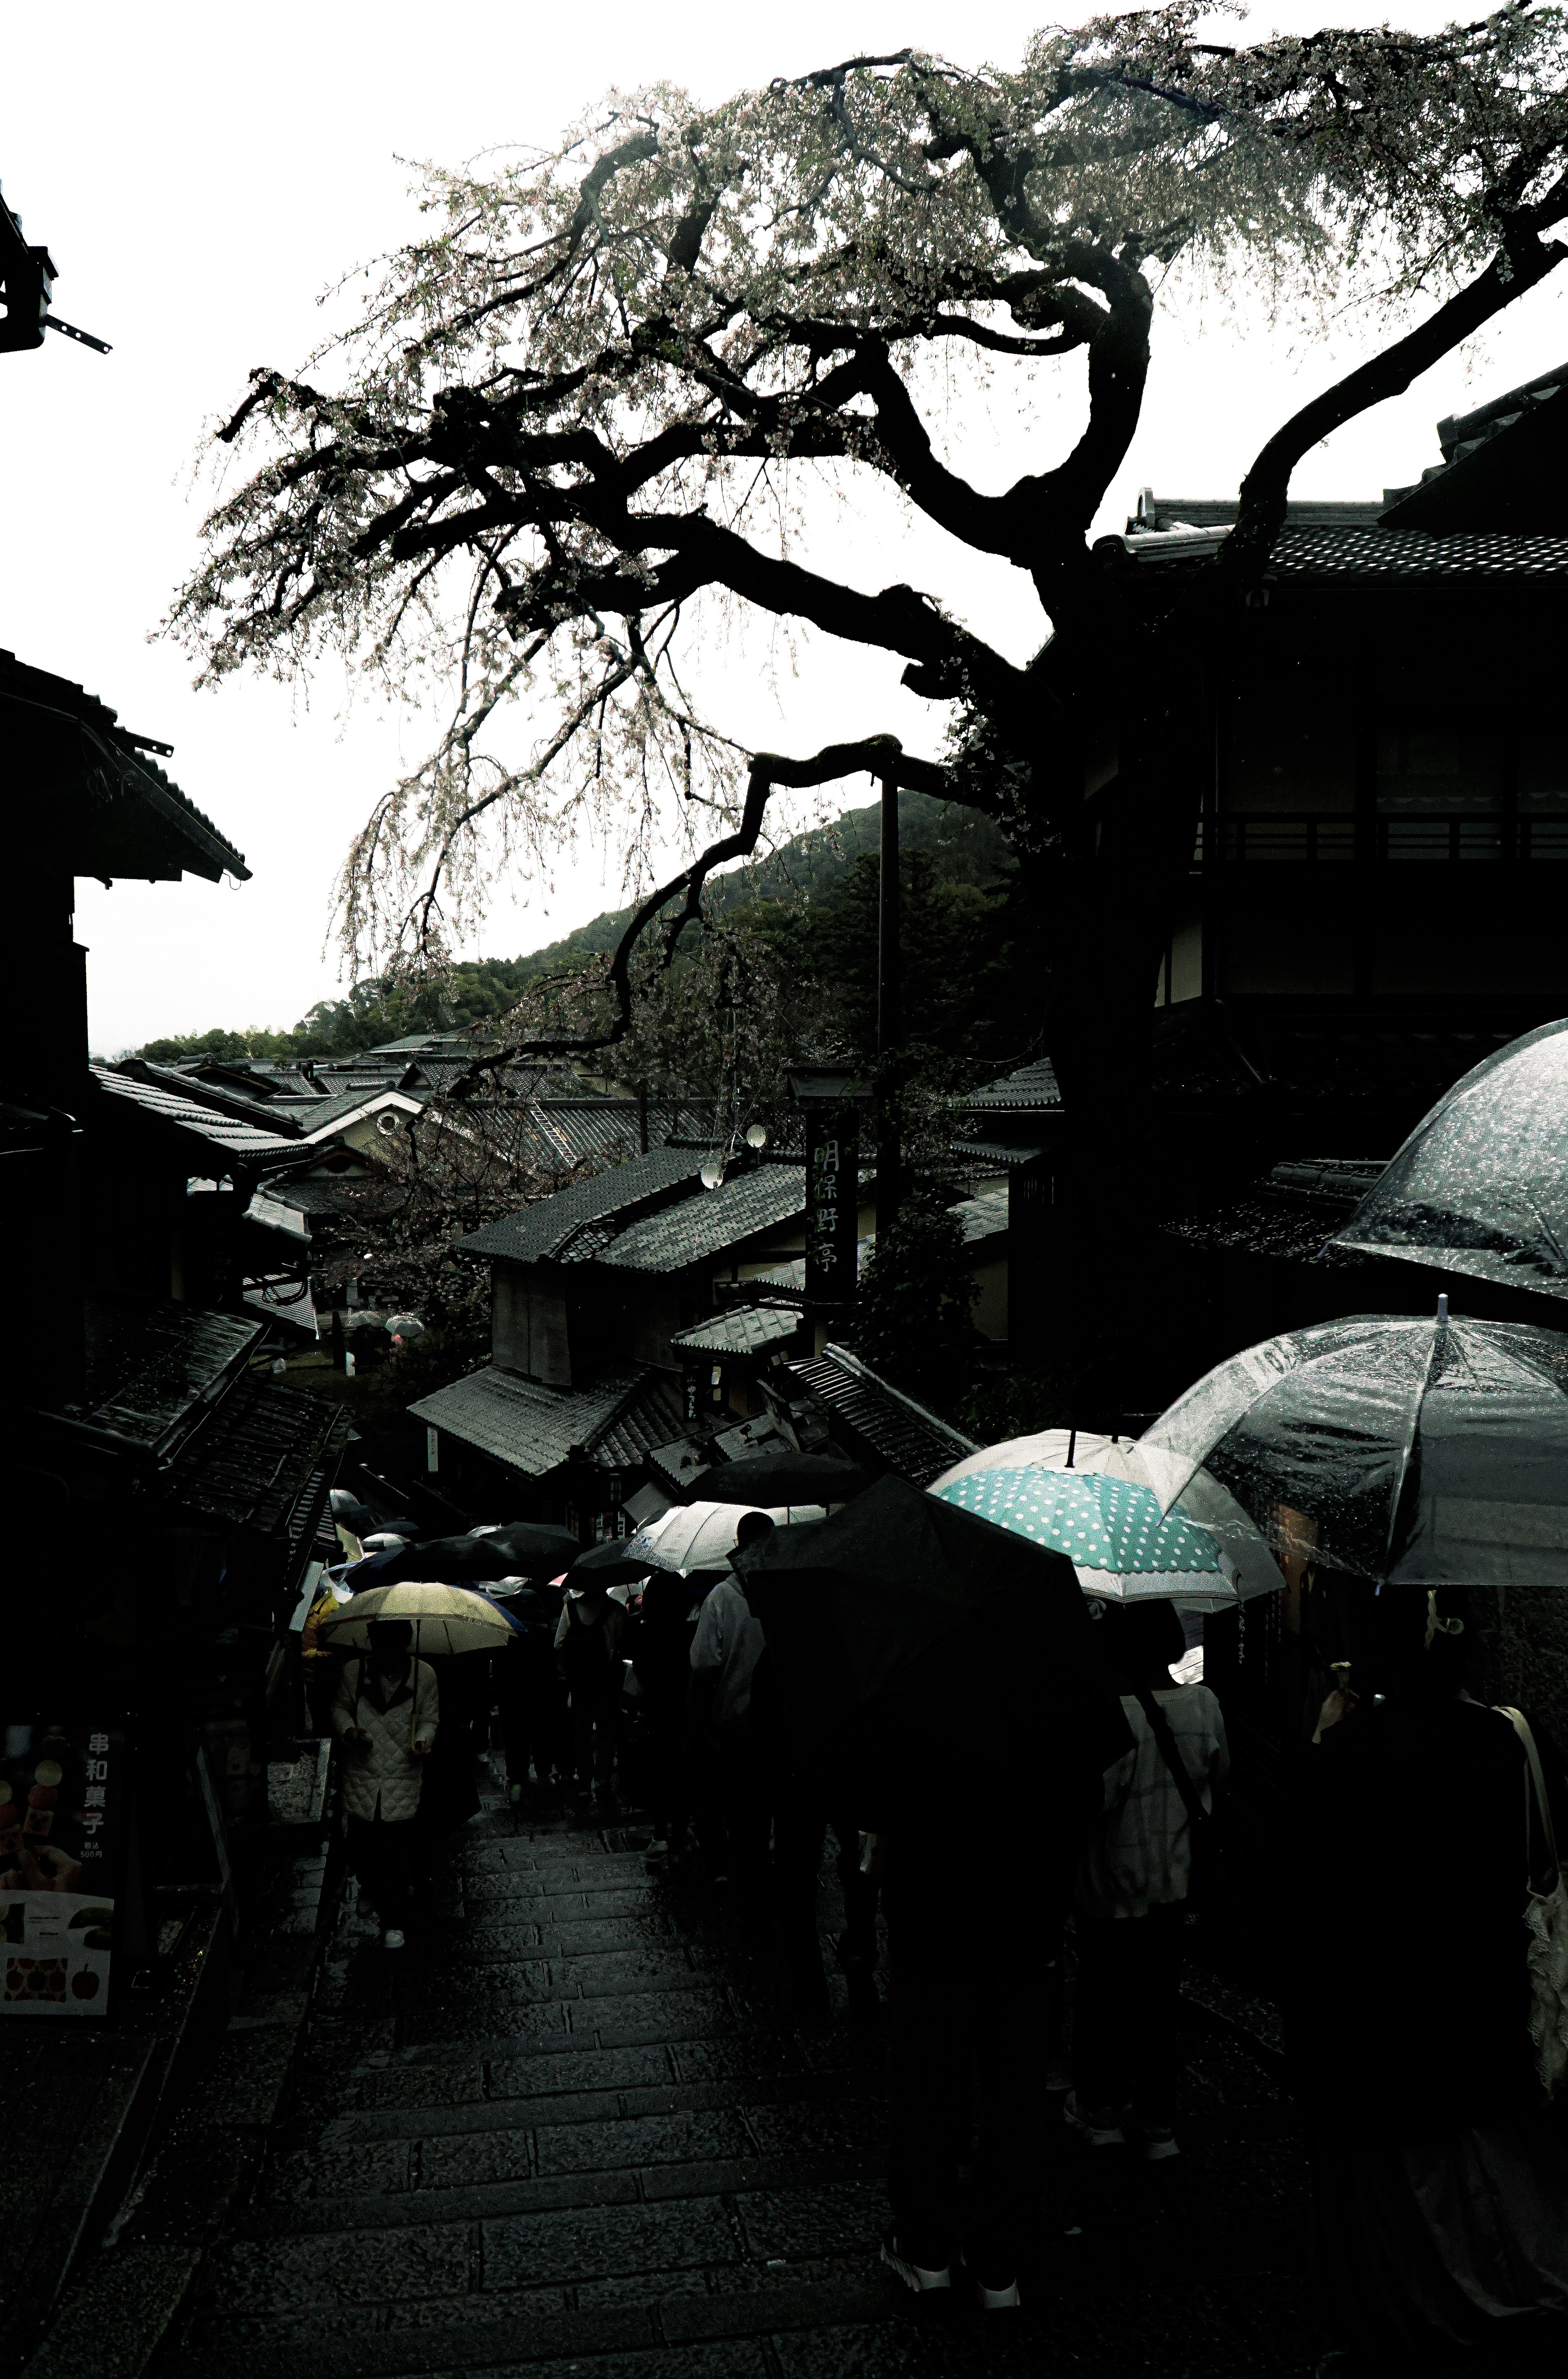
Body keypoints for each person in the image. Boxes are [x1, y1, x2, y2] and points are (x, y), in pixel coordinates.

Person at [1292, 1586, 1568, 2376]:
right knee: (1499, 2174)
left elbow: (1312, 1890)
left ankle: (1410, 2319)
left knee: (1401, 2203)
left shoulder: (1349, 1752)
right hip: (1487, 2003)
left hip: (1383, 2021)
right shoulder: (1517, 1741)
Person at [1069, 1597, 1228, 2160]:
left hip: (1111, 1884)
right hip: (1174, 1881)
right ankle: (1158, 2120)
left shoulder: (1114, 1713)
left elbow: (1095, 1800)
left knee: (1103, 1997)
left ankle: (1102, 2109)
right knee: (1160, 2001)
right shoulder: (1205, 1704)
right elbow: (1219, 1778)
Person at [332, 1617, 438, 1949]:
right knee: (362, 1844)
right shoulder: (354, 1672)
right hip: (362, 1772)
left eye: (391, 1647)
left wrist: (423, 1739)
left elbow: (430, 1717)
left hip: (402, 1774)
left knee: (394, 1850)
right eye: (379, 1646)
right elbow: (339, 1707)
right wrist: (349, 1730)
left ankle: (393, 1922)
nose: (385, 1654)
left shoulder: (425, 1675)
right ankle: (369, 1884)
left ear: (404, 1644)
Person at [688, 1514, 774, 1889]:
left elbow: (705, 1665)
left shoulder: (722, 1598)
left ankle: (747, 1874)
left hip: (736, 1723)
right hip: (780, 1725)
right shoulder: (788, 1593)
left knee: (742, 1808)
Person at [626, 1569, 699, 1860]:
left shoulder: (644, 1634)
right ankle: (681, 1834)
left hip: (656, 1712)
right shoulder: (690, 1632)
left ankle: (659, 1835)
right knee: (683, 1772)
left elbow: (638, 1673)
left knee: (659, 1770)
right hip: (686, 1710)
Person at [555, 1576, 625, 1805]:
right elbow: (622, 1646)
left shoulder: (571, 1608)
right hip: (607, 1682)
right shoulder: (616, 1610)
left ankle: (584, 1780)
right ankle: (602, 1779)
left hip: (579, 1683)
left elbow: (559, 1644)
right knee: (607, 1731)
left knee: (581, 1732)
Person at [495, 1584, 566, 1807]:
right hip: (541, 1693)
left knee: (516, 1736)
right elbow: (553, 1666)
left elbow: (499, 1669)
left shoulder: (506, 1634)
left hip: (512, 1695)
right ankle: (544, 1776)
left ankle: (517, 1782)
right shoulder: (545, 1632)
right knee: (541, 1732)